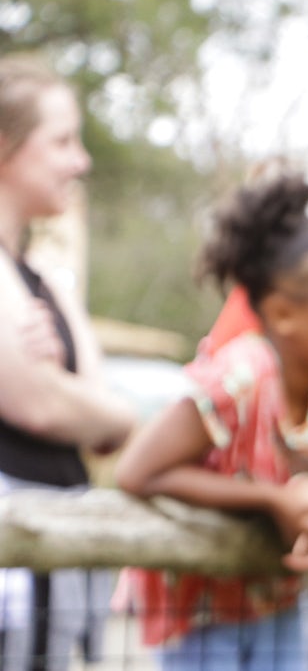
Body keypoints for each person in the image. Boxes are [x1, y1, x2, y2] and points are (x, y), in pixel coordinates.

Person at [114, 174, 308, 671]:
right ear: (282, 314)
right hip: (199, 609)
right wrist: (273, 499)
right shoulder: (241, 378)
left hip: (275, 599)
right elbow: (137, 472)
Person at [0, 55, 136, 671]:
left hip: (58, 579)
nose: (80, 162)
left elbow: (109, 423)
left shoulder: (46, 282)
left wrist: (79, 397)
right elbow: (38, 404)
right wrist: (67, 394)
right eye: (60, 141)